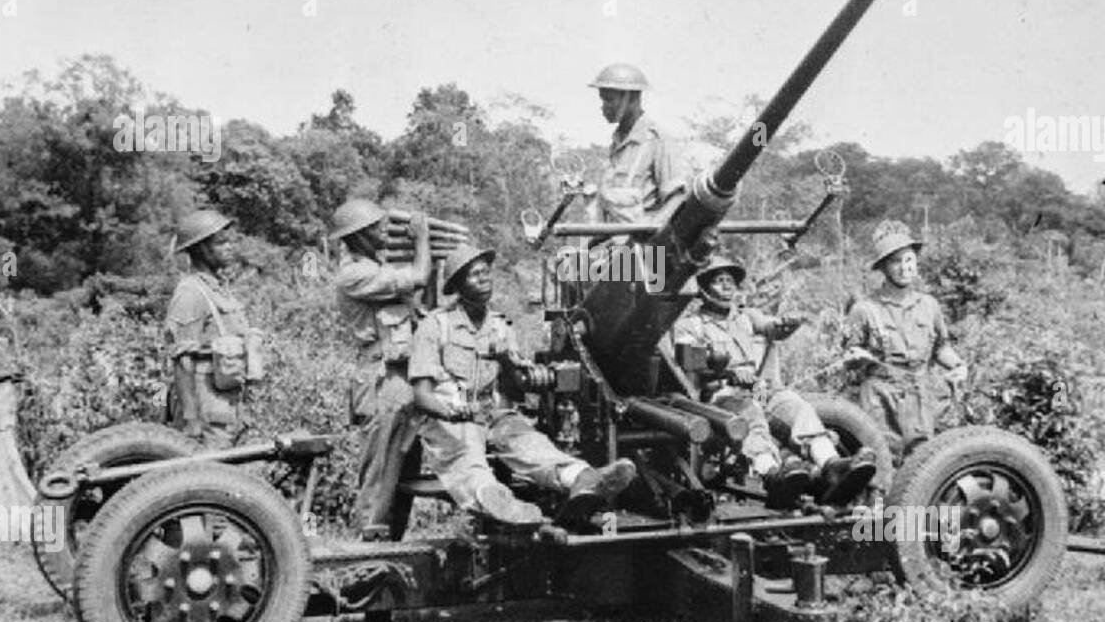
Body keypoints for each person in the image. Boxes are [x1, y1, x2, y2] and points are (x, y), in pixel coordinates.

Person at [408, 243, 636, 528]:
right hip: (450, 416)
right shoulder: (436, 326)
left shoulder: (500, 326)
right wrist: (453, 412)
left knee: (529, 442)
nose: (483, 278)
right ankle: (496, 502)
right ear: (457, 286)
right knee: (467, 456)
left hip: (492, 412)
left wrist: (506, 360)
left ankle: (583, 479)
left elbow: (517, 391)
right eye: (474, 275)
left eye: (486, 272)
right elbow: (421, 396)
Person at [673, 256, 877, 508]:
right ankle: (771, 474)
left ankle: (832, 465)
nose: (727, 287)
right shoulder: (690, 326)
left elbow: (771, 327)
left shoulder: (745, 318)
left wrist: (786, 324)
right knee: (751, 413)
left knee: (792, 404)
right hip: (718, 396)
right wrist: (724, 373)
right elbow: (687, 368)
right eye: (718, 281)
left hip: (756, 389)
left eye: (730, 281)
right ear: (703, 289)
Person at [331, 198, 433, 536]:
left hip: (402, 380)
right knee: (379, 473)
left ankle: (393, 546)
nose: (384, 232)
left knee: (403, 473)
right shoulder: (355, 274)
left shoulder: (377, 269)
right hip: (380, 382)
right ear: (357, 236)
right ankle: (368, 550)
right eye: (376, 228)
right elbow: (419, 275)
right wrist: (421, 239)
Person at [843, 220, 967, 459]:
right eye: (896, 261)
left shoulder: (929, 305)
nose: (904, 268)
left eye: (909, 260)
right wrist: (857, 357)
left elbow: (941, 348)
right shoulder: (865, 309)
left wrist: (958, 365)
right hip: (880, 398)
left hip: (923, 396)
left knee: (924, 464)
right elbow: (848, 358)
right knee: (883, 463)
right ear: (884, 268)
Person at [164, 210, 262, 446]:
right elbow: (183, 361)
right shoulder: (191, 293)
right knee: (209, 477)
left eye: (230, 241)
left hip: (227, 406)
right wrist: (191, 420)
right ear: (201, 250)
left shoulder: (218, 289)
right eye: (221, 243)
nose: (230, 247)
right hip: (206, 413)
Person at [587, 63, 688, 226]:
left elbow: (677, 198)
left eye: (609, 100)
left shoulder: (657, 141)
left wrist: (652, 241)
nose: (603, 107)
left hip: (646, 247)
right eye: (602, 100)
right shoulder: (617, 142)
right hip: (615, 243)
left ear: (631, 98)